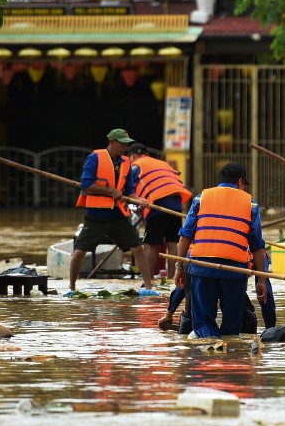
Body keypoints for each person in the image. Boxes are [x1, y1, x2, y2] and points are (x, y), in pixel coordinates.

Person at [174, 162, 267, 338]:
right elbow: (257, 247)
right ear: (240, 182)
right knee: (232, 330)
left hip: (202, 269)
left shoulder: (200, 199)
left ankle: (208, 356)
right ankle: (228, 359)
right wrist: (261, 279)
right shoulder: (251, 205)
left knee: (203, 328)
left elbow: (185, 236)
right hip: (234, 272)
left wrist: (179, 268)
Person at [67, 129, 157, 296]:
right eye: (122, 144)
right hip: (96, 217)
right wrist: (111, 191)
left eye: (126, 144)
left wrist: (140, 199)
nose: (125, 148)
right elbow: (86, 185)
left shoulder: (125, 163)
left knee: (138, 249)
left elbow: (129, 190)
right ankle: (71, 288)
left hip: (118, 217)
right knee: (79, 252)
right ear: (112, 142)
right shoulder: (95, 158)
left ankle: (149, 287)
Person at [126, 143, 192, 281]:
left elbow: (126, 187)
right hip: (175, 203)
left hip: (157, 203)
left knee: (150, 243)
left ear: (132, 156)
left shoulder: (135, 166)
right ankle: (172, 279)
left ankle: (148, 279)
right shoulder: (162, 163)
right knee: (173, 242)